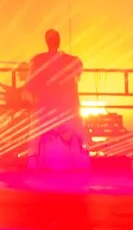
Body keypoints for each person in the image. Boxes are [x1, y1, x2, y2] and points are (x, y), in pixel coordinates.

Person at [18, 28, 90, 171]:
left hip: (45, 107)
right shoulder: (72, 60)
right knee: (79, 136)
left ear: (47, 42)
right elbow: (78, 73)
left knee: (35, 141)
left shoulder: (38, 61)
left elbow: (29, 87)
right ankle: (82, 165)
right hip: (68, 107)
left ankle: (34, 167)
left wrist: (31, 99)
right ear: (59, 41)